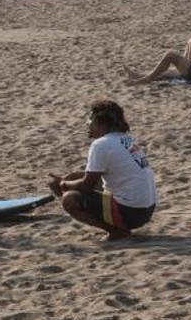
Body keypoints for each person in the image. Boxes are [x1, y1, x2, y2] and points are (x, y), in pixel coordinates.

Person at [49, 99, 156, 241]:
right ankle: (117, 224)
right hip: (146, 210)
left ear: (102, 123)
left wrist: (64, 184)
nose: (88, 124)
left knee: (70, 199)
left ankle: (117, 231)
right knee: (74, 176)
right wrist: (68, 180)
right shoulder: (126, 139)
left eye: (90, 121)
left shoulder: (101, 144)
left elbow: (87, 186)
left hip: (131, 212)